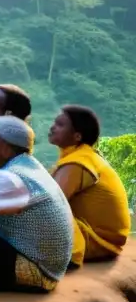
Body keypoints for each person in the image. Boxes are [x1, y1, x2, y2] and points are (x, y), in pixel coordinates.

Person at [0, 116, 73, 292]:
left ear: (5, 149)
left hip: (37, 271)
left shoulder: (11, 179)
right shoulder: (26, 167)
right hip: (47, 267)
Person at [48, 105, 130, 266]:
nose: (52, 127)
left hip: (96, 241)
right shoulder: (81, 156)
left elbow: (49, 204)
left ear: (77, 136)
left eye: (60, 125)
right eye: (54, 123)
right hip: (100, 239)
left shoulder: (78, 162)